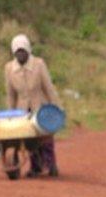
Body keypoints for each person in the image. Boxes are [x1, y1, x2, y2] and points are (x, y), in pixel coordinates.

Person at [4, 34, 62, 177]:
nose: (21, 55)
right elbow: (11, 94)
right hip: (22, 110)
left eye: (23, 51)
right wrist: (10, 114)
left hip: (41, 107)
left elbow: (49, 88)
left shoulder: (39, 64)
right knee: (30, 140)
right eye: (18, 52)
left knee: (45, 139)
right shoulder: (10, 69)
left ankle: (50, 165)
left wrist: (57, 108)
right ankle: (35, 167)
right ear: (14, 53)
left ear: (28, 51)